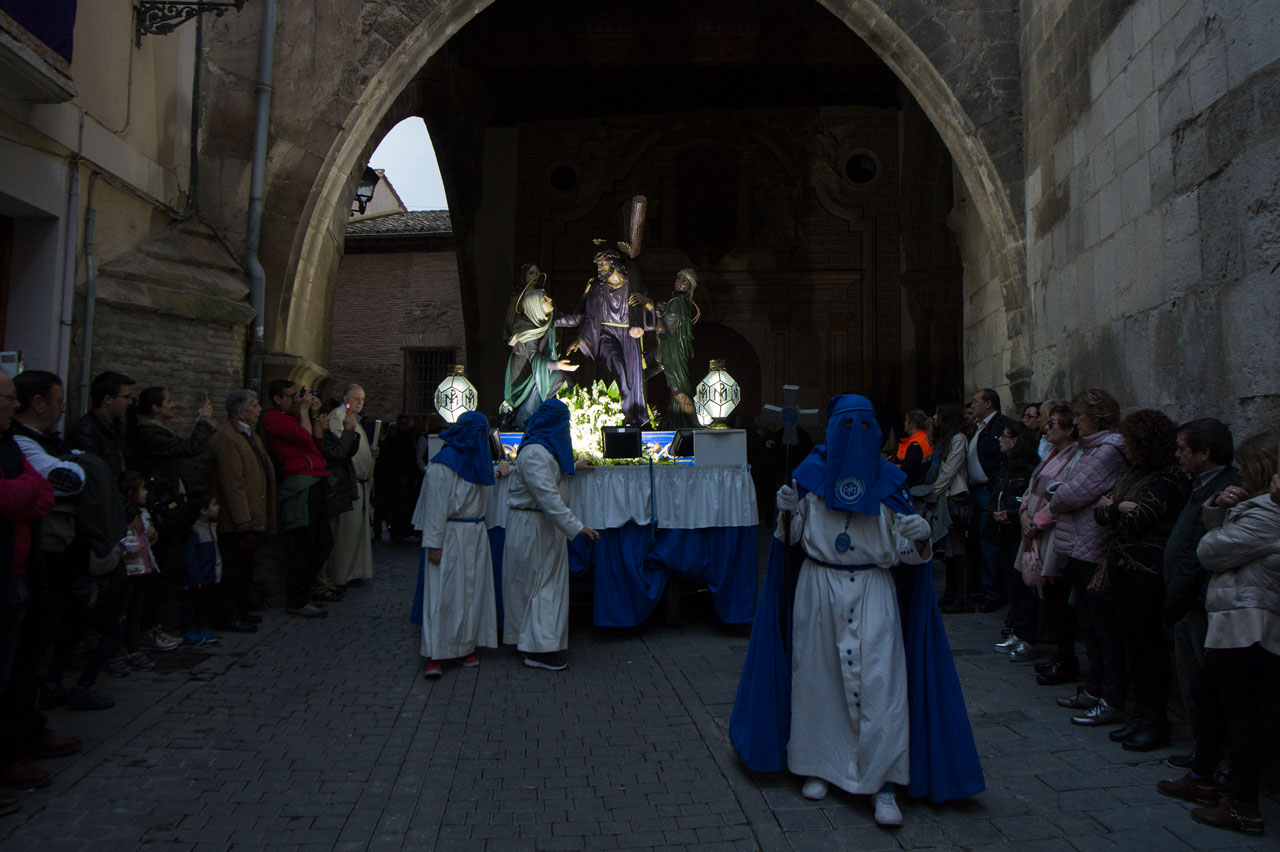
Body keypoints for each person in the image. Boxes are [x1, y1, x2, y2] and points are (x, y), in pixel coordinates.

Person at [729, 394, 983, 826]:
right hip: (818, 588)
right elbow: (790, 546)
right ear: (831, 430)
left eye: (864, 426)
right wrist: (785, 514)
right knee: (816, 680)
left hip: (873, 590)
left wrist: (921, 537)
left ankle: (882, 783)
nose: (854, 436)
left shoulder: (888, 483)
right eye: (845, 426)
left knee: (882, 684)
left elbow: (909, 554)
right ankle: (817, 766)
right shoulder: (809, 477)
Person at [1157, 432, 1280, 836]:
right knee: (1207, 698)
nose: (1239, 472)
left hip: (1249, 627)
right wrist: (1219, 510)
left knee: (1240, 715)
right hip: (1234, 623)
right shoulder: (1254, 508)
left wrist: (1217, 521)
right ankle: (1203, 777)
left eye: (1246, 466)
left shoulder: (1265, 515)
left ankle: (1245, 806)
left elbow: (1210, 552)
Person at [1093, 409, 1188, 750]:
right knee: (1131, 644)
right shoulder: (1133, 473)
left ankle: (1156, 720)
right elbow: (1099, 511)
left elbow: (1142, 518)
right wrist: (1119, 507)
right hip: (1122, 567)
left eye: (1131, 442)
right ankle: (1139, 714)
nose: (1126, 448)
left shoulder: (1169, 478)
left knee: (1150, 647)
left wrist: (1114, 508)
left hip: (1147, 570)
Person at [1161, 418, 1238, 769]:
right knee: (1193, 681)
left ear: (1204, 453)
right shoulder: (1199, 484)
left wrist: (1176, 599)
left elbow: (1201, 553)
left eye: (1182, 448)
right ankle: (1203, 751)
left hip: (1198, 602)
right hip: (1186, 601)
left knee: (1207, 686)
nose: (1177, 455)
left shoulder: (1225, 488)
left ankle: (1212, 758)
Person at [1044, 388, 1128, 710]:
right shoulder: (1091, 450)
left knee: (1101, 626)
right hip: (1080, 544)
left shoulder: (1106, 451)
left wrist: (1058, 493)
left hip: (1093, 546)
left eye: (1080, 416)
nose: (1076, 422)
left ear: (1097, 416)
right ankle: (1096, 688)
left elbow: (1069, 494)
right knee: (1090, 624)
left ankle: (1108, 692)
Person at [502, 398, 598, 671]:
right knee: (539, 588)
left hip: (543, 528)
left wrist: (574, 466)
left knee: (539, 586)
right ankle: (538, 649)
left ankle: (531, 643)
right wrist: (578, 527)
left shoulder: (545, 451)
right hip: (532, 528)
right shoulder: (534, 453)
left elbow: (552, 475)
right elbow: (548, 497)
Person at [0, 370, 56, 807]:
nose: (11, 404)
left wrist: (27, 492)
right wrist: (27, 491)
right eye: (6, 397)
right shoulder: (16, 443)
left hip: (21, 570)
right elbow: (21, 495)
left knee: (21, 665)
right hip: (7, 574)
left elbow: (44, 492)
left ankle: (23, 739)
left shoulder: (13, 444)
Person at [413, 411, 498, 678]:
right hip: (449, 537)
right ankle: (436, 653)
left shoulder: (479, 463)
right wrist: (434, 543)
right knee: (444, 594)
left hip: (474, 534)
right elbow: (435, 507)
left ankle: (464, 646)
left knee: (470, 594)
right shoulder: (442, 465)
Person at [261, 380, 331, 619]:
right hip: (301, 484)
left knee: (324, 543)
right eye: (291, 396)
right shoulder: (274, 419)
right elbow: (303, 439)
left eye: (297, 395)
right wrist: (303, 412)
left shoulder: (294, 417)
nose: (295, 399)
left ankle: (303, 591)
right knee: (304, 544)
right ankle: (296, 598)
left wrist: (313, 416)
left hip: (315, 480)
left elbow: (317, 444)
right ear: (277, 399)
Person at [1019, 404, 1078, 675]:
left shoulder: (1074, 457)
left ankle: (1065, 656)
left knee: (1058, 598)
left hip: (1052, 532)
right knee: (1049, 599)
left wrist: (1037, 522)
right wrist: (1023, 515)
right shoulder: (1051, 455)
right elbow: (1033, 488)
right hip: (1035, 529)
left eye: (1052, 423)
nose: (1047, 428)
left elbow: (1063, 497)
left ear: (1068, 429)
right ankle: (1060, 654)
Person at [208, 390, 274, 630]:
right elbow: (233, 483)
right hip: (236, 521)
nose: (259, 409)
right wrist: (243, 521)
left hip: (252, 516)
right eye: (254, 405)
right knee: (233, 570)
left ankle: (241, 610)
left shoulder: (249, 435)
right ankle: (229, 616)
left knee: (245, 568)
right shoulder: (227, 438)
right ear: (241, 412)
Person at [567, 247, 654, 425]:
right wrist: (581, 338)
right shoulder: (598, 290)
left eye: (603, 264)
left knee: (631, 375)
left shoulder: (634, 285)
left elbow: (649, 318)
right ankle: (614, 411)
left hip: (628, 336)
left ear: (614, 263)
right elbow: (591, 317)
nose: (600, 269)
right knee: (616, 366)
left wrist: (647, 304)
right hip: (606, 334)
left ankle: (629, 417)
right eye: (598, 265)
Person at [989, 423, 1039, 660]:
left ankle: (1028, 634)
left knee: (1023, 584)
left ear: (1016, 440)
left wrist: (1010, 513)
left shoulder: (1028, 469)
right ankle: (1018, 630)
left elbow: (1028, 500)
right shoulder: (1006, 467)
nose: (1000, 439)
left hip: (1019, 532)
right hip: (1003, 532)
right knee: (1013, 583)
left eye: (1004, 435)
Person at [502, 289, 580, 430]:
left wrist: (586, 296)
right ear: (535, 306)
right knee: (560, 378)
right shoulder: (527, 330)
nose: (550, 300)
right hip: (525, 379)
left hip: (537, 371)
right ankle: (525, 420)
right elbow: (534, 358)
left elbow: (574, 320)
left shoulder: (547, 321)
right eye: (544, 299)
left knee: (565, 382)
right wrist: (558, 365)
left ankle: (565, 420)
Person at [966, 388, 1015, 612]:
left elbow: (999, 459)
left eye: (976, 401)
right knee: (979, 542)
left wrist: (995, 487)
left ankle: (993, 593)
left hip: (989, 491)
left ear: (988, 404)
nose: (972, 405)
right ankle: (985, 588)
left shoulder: (999, 425)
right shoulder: (978, 427)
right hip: (976, 491)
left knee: (989, 544)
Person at [326, 385, 375, 586]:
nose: (360, 402)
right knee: (346, 533)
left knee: (358, 532)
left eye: (362, 399)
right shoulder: (338, 416)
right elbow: (342, 447)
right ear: (346, 399)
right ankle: (341, 575)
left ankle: (355, 571)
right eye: (356, 399)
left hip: (362, 483)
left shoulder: (355, 419)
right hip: (350, 482)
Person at [116, 471, 162, 672]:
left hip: (144, 568)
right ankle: (116, 652)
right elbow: (117, 540)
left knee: (136, 611)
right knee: (122, 612)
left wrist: (152, 535)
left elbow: (149, 539)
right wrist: (128, 547)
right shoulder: (120, 515)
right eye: (142, 488)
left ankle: (133, 650)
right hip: (128, 571)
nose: (146, 492)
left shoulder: (143, 513)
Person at [931, 404, 971, 611]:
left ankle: (962, 597)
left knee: (957, 546)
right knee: (949, 549)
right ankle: (951, 593)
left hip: (954, 495)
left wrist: (933, 491)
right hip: (945, 495)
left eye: (937, 413)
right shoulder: (947, 440)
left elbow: (950, 471)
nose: (934, 417)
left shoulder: (958, 439)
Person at [655, 269, 699, 428]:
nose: (679, 282)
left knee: (677, 387)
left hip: (673, 351)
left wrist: (657, 313)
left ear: (690, 286)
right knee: (678, 388)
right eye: (679, 278)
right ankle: (677, 421)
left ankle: (694, 423)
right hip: (676, 350)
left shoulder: (676, 303)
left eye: (684, 280)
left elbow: (663, 329)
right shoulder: (682, 303)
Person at [71, 371, 136, 477]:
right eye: (126, 397)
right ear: (108, 399)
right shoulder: (86, 431)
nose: (130, 402)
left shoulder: (117, 427)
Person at [180, 494, 222, 646]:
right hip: (199, 576)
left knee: (204, 604)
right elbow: (190, 557)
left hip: (210, 574)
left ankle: (201, 627)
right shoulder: (195, 531)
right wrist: (195, 576)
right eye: (214, 505)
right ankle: (188, 629)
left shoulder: (211, 528)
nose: (218, 507)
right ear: (203, 510)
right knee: (192, 604)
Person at [894, 409, 933, 488]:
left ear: (912, 423)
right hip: (921, 486)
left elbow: (908, 469)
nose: (904, 423)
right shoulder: (925, 438)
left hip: (913, 487)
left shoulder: (915, 445)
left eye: (906, 420)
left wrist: (890, 466)